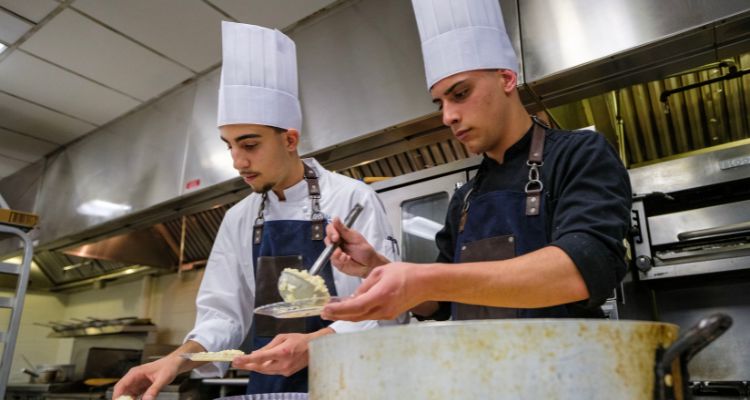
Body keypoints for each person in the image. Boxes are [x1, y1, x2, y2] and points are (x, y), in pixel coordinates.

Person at [113, 21, 396, 399]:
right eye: (229, 145)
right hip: (271, 389)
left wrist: (315, 343)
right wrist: (177, 359)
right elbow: (222, 316)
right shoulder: (239, 218)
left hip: (352, 385)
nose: (237, 161)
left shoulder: (351, 199)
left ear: (290, 139)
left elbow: (385, 308)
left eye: (249, 144)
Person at [322, 0, 631, 322]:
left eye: (460, 94)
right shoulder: (466, 198)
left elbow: (583, 268)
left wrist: (424, 278)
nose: (448, 116)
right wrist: (376, 266)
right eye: (439, 103)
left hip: (565, 366)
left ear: (507, 79)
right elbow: (438, 305)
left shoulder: (578, 154)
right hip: (481, 368)